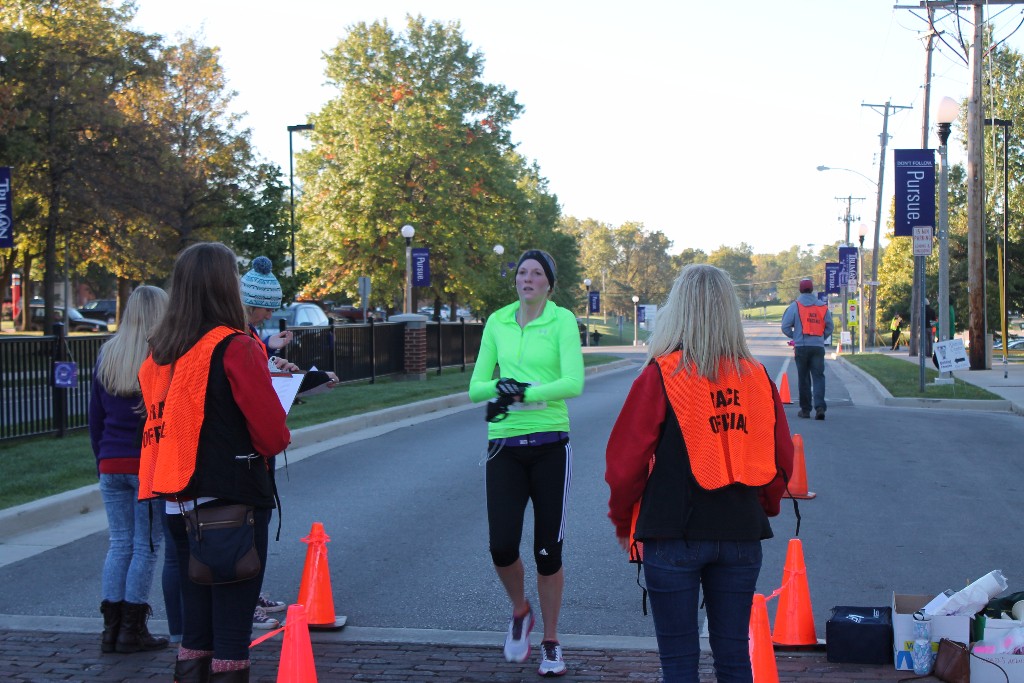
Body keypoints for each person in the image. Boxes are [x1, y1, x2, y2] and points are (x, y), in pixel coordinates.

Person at [605, 264, 794, 683]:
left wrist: (623, 520)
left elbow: (624, 465)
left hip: (673, 533)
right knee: (733, 658)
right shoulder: (757, 377)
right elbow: (780, 459)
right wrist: (765, 505)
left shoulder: (661, 374)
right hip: (742, 531)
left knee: (678, 662)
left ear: (678, 311)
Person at [138, 242, 290, 683]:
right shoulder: (235, 347)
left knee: (196, 630)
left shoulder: (160, 351)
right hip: (231, 503)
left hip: (175, 498)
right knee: (230, 634)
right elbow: (271, 434)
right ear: (226, 285)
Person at [468, 249, 585, 677]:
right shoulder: (497, 321)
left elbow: (573, 382)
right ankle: (520, 611)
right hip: (504, 444)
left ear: (549, 284)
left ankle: (551, 642)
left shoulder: (563, 320)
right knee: (501, 545)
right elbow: (476, 388)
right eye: (522, 272)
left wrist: (522, 393)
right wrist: (503, 385)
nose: (528, 278)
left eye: (537, 273)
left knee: (547, 551)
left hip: (552, 445)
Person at [89, 285, 171, 655]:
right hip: (145, 464)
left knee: (119, 543)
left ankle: (111, 629)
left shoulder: (109, 353)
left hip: (110, 461)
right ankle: (133, 629)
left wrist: (100, 460)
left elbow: (95, 418)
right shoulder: (162, 357)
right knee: (146, 546)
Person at [780, 278, 833, 420]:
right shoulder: (822, 306)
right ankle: (820, 407)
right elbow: (830, 327)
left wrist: (795, 336)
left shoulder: (795, 306)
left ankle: (805, 410)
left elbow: (785, 326)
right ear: (812, 289)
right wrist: (821, 337)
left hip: (802, 347)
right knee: (818, 377)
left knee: (803, 378)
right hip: (817, 347)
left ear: (800, 290)